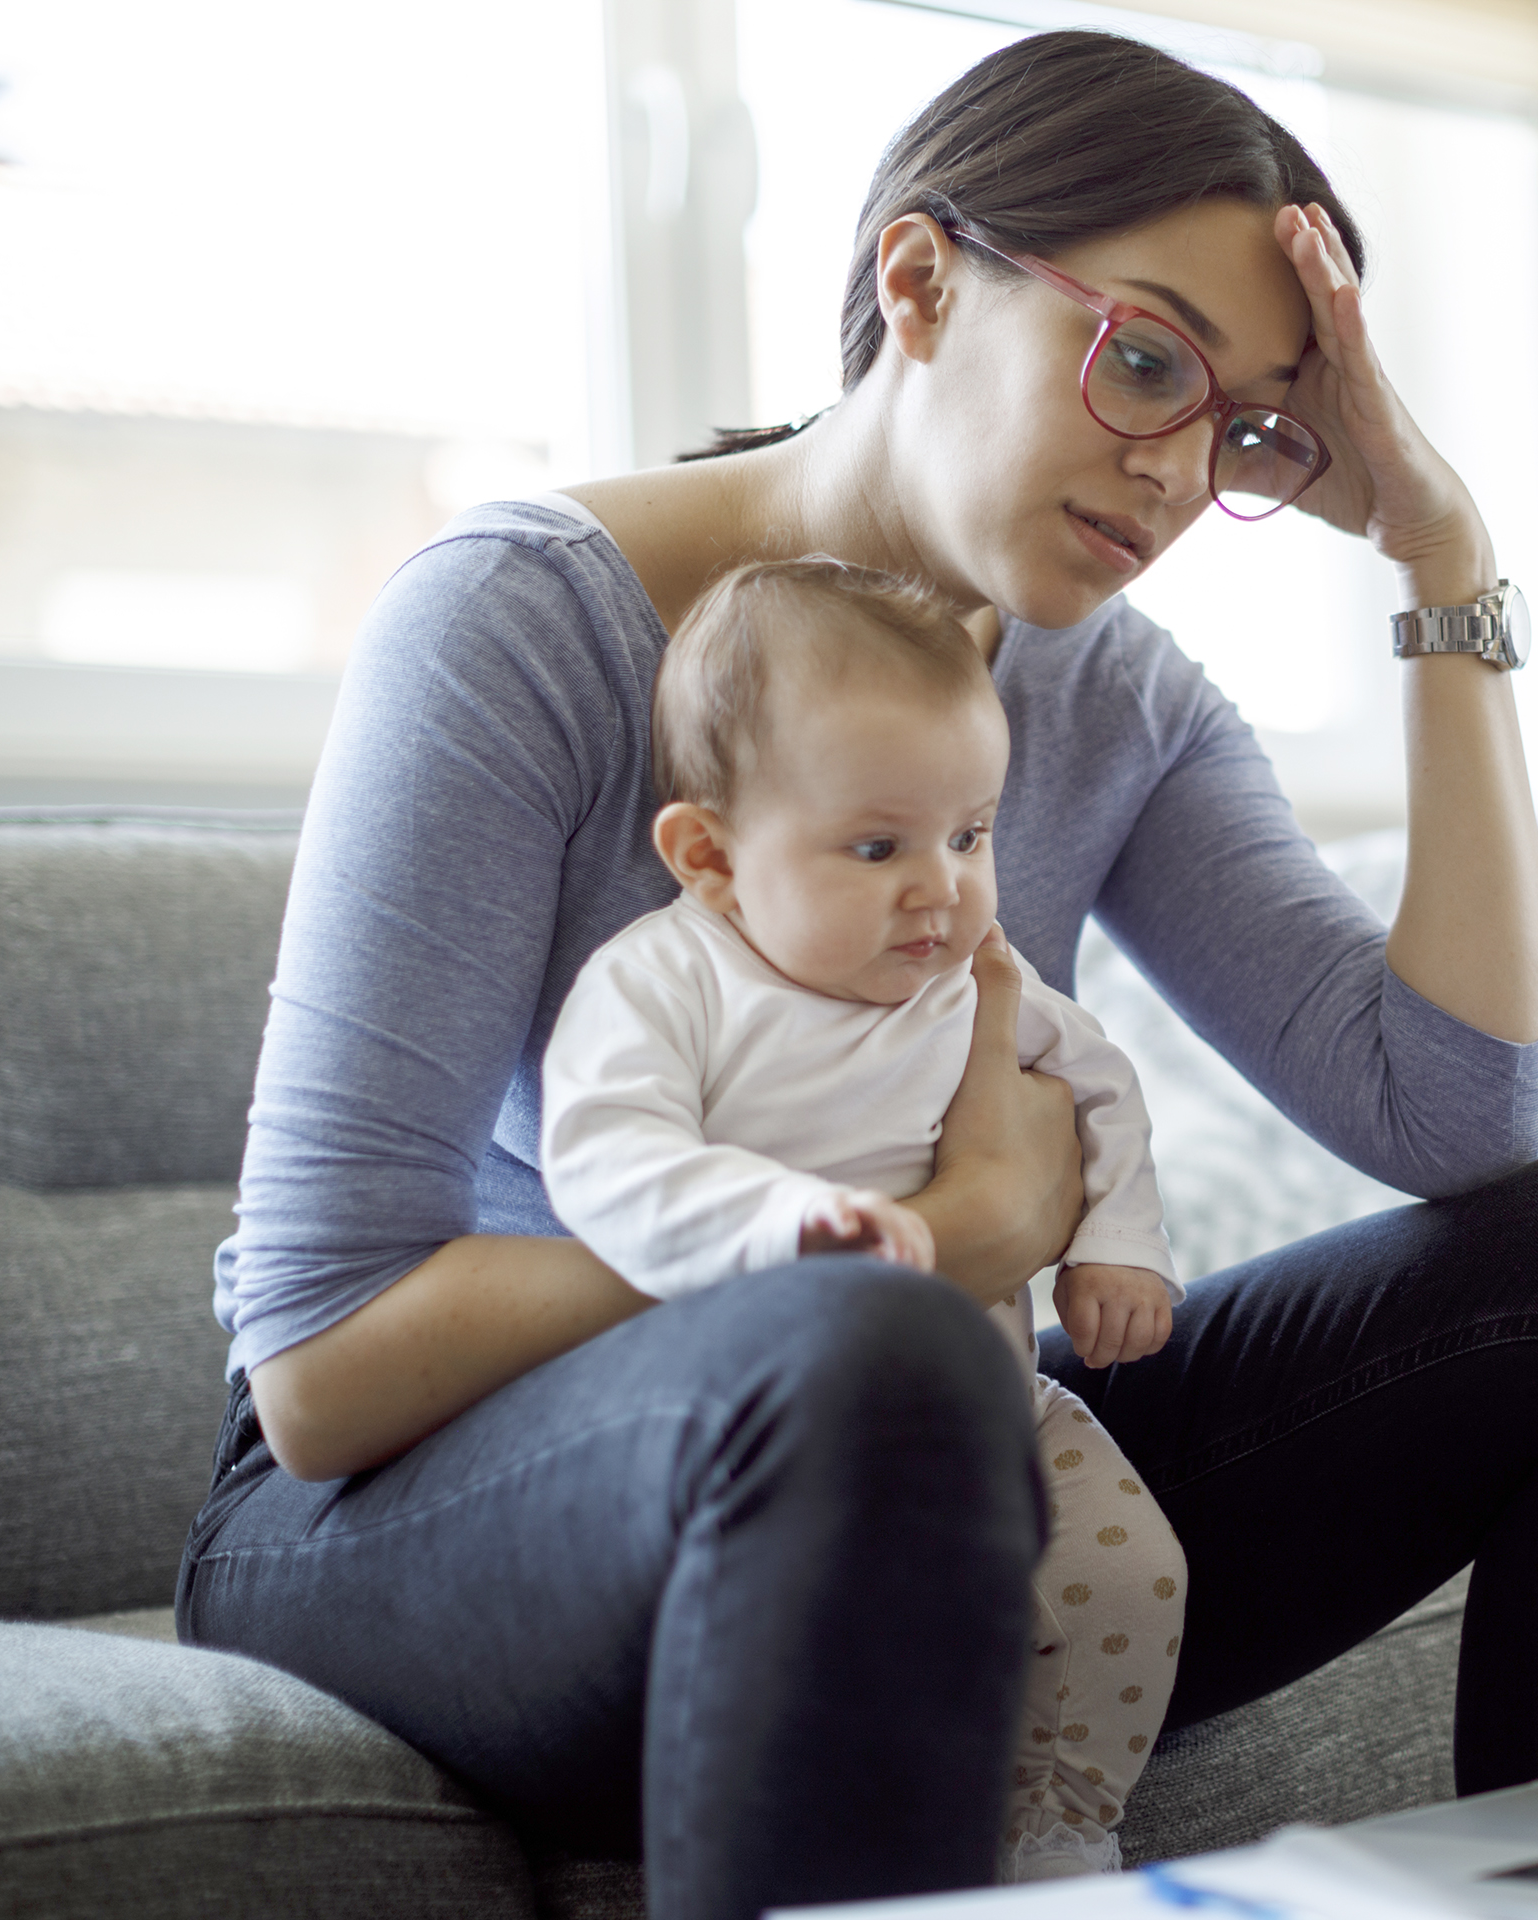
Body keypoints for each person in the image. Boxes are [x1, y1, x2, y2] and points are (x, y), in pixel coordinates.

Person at [179, 27, 1538, 1920]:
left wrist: (1445, 558)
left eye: (1253, 423)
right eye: (1146, 362)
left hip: (944, 1445)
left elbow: (1460, 1121)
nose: (1183, 469)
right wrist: (930, 1232)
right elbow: (318, 1371)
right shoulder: (519, 626)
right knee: (864, 1351)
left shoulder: (1115, 698)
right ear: (923, 282)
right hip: (408, 1513)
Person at [537, 556, 1187, 1881]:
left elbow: (1100, 1083)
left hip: (1011, 1398)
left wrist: (1120, 1237)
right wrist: (784, 1226)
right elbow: (606, 1157)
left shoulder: (974, 978)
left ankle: (1063, 1828)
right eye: (879, 847)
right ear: (711, 857)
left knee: (1132, 1574)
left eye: (972, 835)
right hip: (795, 1440)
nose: (939, 890)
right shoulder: (668, 983)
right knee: (892, 1626)